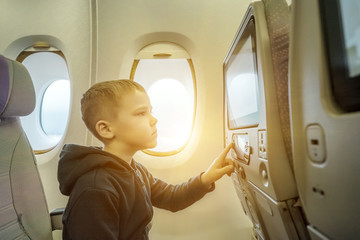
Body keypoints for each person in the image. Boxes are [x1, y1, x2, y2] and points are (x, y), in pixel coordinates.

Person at [57, 80, 234, 240]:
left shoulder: (135, 170)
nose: (154, 120)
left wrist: (206, 178)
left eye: (151, 111)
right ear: (106, 129)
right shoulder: (95, 189)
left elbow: (172, 197)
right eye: (141, 113)